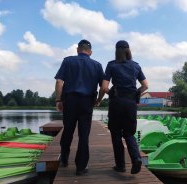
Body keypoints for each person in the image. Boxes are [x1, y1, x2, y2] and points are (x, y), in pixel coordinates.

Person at [97, 40, 148, 174]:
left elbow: (104, 87)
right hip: (131, 104)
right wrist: (136, 92)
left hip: (116, 103)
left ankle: (121, 165)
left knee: (116, 134)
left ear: (116, 51)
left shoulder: (111, 65)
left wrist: (108, 93)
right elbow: (145, 86)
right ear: (128, 50)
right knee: (129, 134)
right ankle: (136, 158)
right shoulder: (136, 66)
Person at [55, 39, 105, 176]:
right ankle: (81, 167)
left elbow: (59, 81)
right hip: (87, 102)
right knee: (84, 135)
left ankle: (64, 159)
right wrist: (98, 100)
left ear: (78, 49)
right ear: (90, 52)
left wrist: (59, 100)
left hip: (70, 101)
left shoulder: (68, 61)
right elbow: (104, 87)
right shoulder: (97, 65)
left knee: (68, 131)